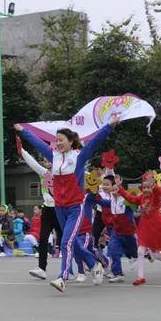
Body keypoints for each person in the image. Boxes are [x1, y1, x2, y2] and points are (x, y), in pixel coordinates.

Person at [16, 119, 116, 293]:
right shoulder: (53, 157)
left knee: (65, 243)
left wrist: (110, 126)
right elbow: (38, 144)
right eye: (57, 140)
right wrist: (22, 131)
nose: (59, 142)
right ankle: (95, 265)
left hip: (75, 208)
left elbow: (94, 142)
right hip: (59, 208)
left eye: (62, 139)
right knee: (73, 243)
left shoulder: (78, 157)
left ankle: (63, 277)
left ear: (71, 142)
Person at [18, 145, 64, 280]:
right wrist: (22, 151)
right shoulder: (44, 173)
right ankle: (42, 268)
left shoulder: (63, 172)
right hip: (47, 209)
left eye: (50, 160)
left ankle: (77, 268)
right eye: (45, 160)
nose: (47, 163)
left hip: (61, 209)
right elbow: (32, 163)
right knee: (43, 238)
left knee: (65, 241)